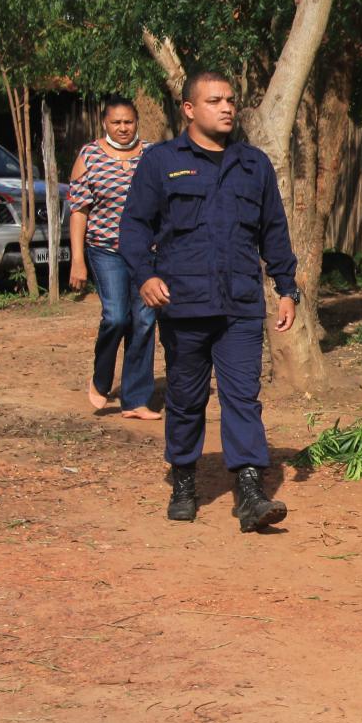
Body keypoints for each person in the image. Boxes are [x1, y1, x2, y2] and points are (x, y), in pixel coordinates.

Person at [119, 70, 299, 533]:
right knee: (185, 398)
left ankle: (250, 491)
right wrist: (145, 276)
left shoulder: (252, 164)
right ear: (189, 109)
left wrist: (285, 288)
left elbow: (273, 231)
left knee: (243, 397)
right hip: (184, 304)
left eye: (230, 100)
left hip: (239, 304)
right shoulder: (161, 162)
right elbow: (135, 227)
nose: (226, 108)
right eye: (215, 100)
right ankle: (184, 479)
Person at [68, 97, 160, 419]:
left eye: (129, 122)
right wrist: (77, 259)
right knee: (117, 317)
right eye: (116, 122)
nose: (123, 128)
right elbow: (79, 210)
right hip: (105, 249)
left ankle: (136, 400)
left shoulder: (152, 155)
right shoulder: (89, 156)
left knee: (145, 321)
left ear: (137, 123)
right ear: (105, 124)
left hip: (145, 254)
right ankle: (101, 376)